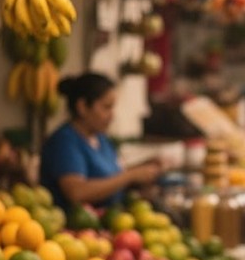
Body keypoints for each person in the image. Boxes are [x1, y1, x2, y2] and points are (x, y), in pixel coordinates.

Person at [39, 72, 165, 211]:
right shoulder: (64, 142)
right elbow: (77, 192)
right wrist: (130, 176)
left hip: (111, 223)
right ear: (82, 107)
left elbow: (112, 176)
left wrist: (143, 169)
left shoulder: (100, 138)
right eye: (106, 107)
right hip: (78, 228)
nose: (112, 115)